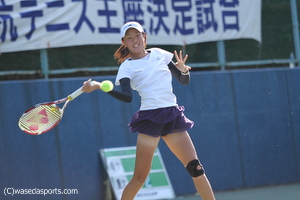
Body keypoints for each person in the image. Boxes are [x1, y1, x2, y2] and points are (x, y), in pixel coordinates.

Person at [82, 21, 216, 200]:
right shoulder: (126, 67)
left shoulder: (160, 54)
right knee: (139, 179)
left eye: (137, 35)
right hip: (150, 119)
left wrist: (184, 71)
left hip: (172, 115)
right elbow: (127, 97)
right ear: (124, 43)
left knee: (196, 168)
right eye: (129, 38)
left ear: (144, 37)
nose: (134, 40)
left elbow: (183, 81)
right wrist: (100, 86)